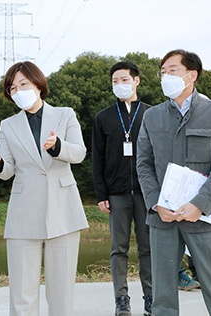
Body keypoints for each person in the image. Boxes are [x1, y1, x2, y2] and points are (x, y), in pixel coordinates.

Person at [0, 61, 89, 316]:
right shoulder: (8, 125)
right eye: (12, 88)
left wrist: (58, 146)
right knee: (22, 295)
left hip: (64, 212)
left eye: (23, 84)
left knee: (61, 295)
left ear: (38, 84)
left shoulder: (65, 114)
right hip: (23, 214)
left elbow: (80, 153)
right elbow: (8, 172)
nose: (18, 91)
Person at [136, 49, 211, 315]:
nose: (165, 76)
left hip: (203, 218)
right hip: (163, 219)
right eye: (162, 72)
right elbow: (143, 164)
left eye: (172, 70)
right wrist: (156, 204)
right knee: (162, 298)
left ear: (191, 75)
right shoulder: (152, 116)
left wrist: (200, 204)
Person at [92, 61, 152, 316]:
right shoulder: (103, 117)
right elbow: (98, 158)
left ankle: (151, 297)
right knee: (119, 248)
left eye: (124, 80)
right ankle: (121, 300)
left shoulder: (152, 113)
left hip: (146, 193)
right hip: (116, 193)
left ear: (136, 81)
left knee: (148, 247)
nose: (120, 85)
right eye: (115, 81)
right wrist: (101, 193)